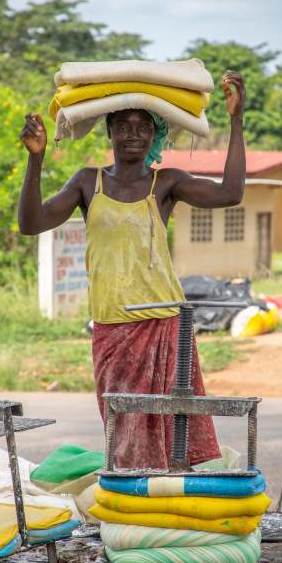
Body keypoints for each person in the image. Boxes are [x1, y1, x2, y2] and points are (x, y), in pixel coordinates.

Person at [18, 70, 246, 470]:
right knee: (123, 432)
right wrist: (35, 160)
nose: (133, 136)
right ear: (109, 132)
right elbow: (31, 223)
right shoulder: (88, 183)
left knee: (177, 430)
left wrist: (236, 120)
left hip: (165, 324)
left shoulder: (167, 183)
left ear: (154, 134)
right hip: (113, 328)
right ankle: (134, 504)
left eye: (143, 127)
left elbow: (230, 193)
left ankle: (170, 502)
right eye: (123, 127)